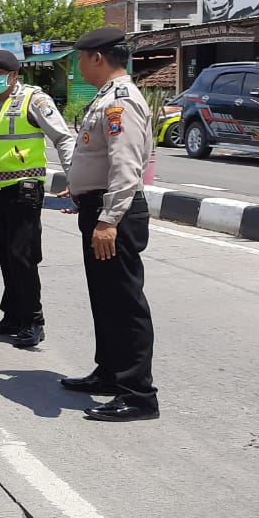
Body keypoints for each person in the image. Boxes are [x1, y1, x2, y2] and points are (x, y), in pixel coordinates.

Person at [58, 27, 159, 422]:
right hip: (98, 209)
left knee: (124, 302)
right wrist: (81, 189)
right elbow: (100, 158)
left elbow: (126, 166)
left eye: (81, 58)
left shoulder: (121, 101)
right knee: (105, 299)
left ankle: (138, 394)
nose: (79, 65)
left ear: (97, 57)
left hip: (115, 214)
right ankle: (110, 373)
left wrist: (109, 219)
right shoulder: (105, 97)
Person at [0, 49, 75, 348]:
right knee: (6, 255)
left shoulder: (34, 100)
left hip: (24, 186)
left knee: (23, 256)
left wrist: (74, 177)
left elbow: (63, 137)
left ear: (13, 75)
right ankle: (12, 316)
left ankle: (34, 320)